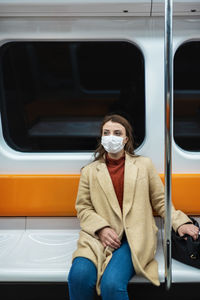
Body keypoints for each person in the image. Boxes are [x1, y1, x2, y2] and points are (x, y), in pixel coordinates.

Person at [68, 114, 199, 300]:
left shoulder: (143, 165)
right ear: (101, 137)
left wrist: (180, 223)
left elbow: (161, 201)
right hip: (97, 238)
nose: (111, 137)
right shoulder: (89, 172)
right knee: (78, 277)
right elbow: (83, 208)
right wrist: (101, 228)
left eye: (117, 133)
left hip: (134, 238)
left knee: (111, 285)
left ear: (126, 139)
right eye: (106, 133)